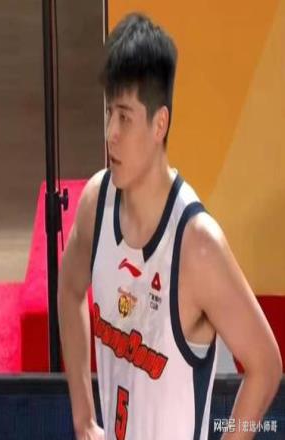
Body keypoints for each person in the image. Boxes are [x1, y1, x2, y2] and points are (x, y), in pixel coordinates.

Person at [58, 12, 282, 440]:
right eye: (108, 113)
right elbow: (69, 291)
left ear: (159, 124)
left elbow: (266, 366)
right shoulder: (95, 204)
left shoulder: (197, 245)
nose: (110, 133)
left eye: (125, 117)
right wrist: (83, 417)